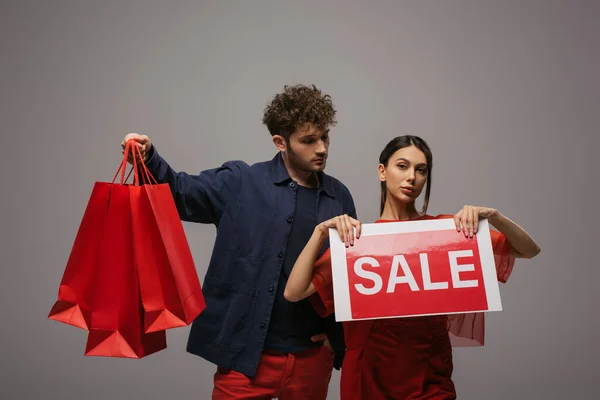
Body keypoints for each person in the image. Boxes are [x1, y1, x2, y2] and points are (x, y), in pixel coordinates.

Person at [121, 84, 357, 399]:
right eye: (309, 140)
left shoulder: (338, 196)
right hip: (246, 361)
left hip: (310, 360)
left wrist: (335, 340)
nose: (322, 148)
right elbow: (180, 193)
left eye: (324, 137)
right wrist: (147, 158)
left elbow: (347, 277)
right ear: (280, 142)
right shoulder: (241, 182)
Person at [284, 135, 541, 399]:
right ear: (382, 171)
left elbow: (528, 250)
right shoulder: (359, 242)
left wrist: (494, 216)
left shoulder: (446, 232)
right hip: (368, 377)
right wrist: (320, 233)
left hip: (429, 374)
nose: (411, 178)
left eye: (421, 170)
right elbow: (294, 291)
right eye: (402, 166)